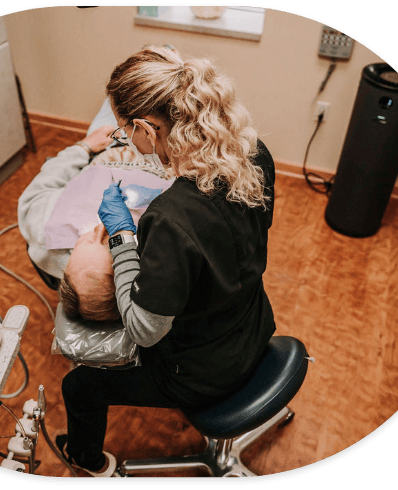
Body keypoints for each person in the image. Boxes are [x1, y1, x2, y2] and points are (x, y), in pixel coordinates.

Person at [56, 46, 277, 478]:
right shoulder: (255, 155)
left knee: (78, 386)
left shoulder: (170, 220)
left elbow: (144, 331)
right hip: (254, 327)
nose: (128, 143)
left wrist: (122, 238)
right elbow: (239, 236)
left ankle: (88, 462)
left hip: (203, 374)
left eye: (125, 133)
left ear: (146, 127)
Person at [18, 123, 174, 321]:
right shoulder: (165, 242)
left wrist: (83, 147)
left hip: (107, 145)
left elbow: (45, 182)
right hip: (169, 152)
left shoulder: (44, 229)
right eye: (108, 243)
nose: (100, 227)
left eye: (83, 241)